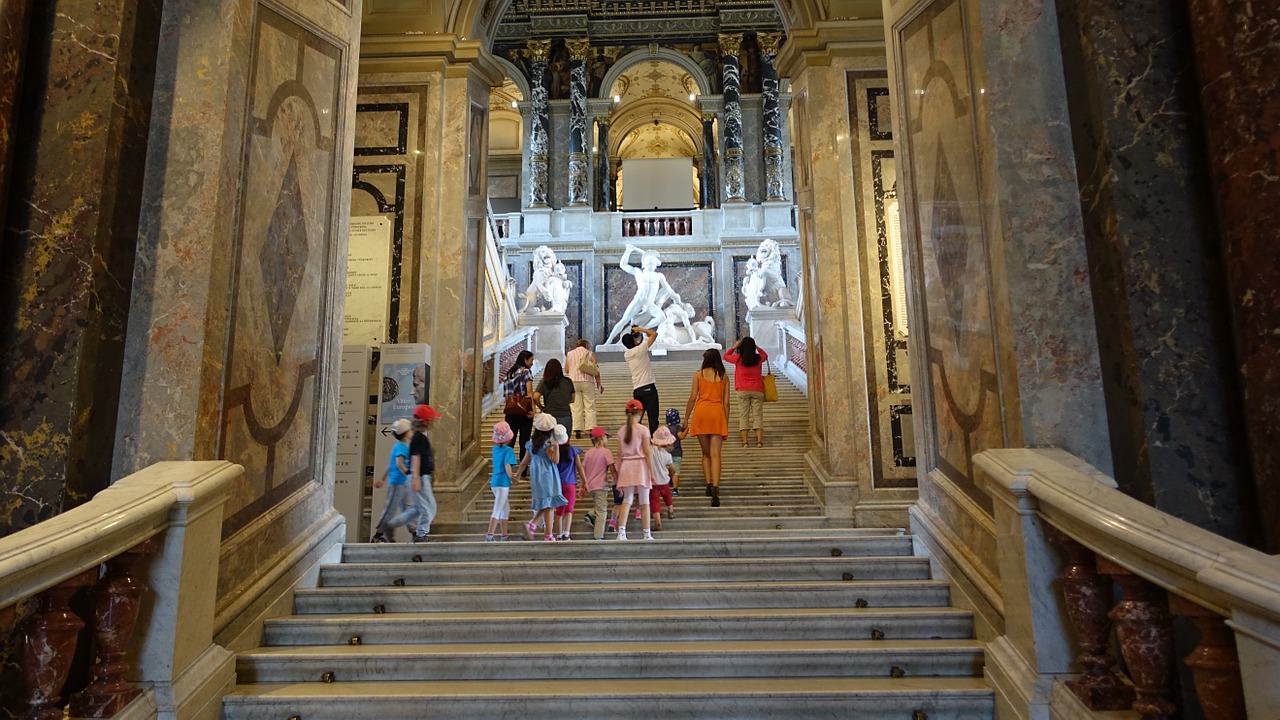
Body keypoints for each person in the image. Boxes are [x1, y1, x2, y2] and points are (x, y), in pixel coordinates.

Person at [604, 245, 682, 345]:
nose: (653, 265)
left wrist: (678, 301)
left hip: (650, 304)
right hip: (638, 301)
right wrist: (628, 250)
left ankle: (641, 329)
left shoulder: (658, 276)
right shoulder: (638, 272)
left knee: (661, 317)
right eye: (650, 263)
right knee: (624, 320)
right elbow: (623, 265)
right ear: (645, 264)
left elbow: (668, 289)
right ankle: (608, 341)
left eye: (654, 263)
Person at [684, 349, 729, 507]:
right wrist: (726, 421)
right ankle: (716, 490)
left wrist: (686, 419)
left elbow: (692, 398)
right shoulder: (723, 377)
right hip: (717, 414)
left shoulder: (698, 375)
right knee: (716, 454)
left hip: (701, 413)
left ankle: (708, 485)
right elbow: (726, 403)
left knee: (706, 453)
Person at [513, 413, 566, 541]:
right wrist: (557, 447)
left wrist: (518, 474)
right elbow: (555, 460)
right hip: (547, 474)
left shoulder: (531, 444)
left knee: (548, 502)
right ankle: (548, 534)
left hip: (536, 474)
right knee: (549, 504)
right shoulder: (548, 444)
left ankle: (533, 524)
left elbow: (525, 461)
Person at [614, 399, 654, 541]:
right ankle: (647, 534)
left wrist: (618, 475)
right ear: (641, 413)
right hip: (641, 466)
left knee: (627, 500)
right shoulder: (643, 430)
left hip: (626, 466)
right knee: (644, 501)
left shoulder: (621, 431)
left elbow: (618, 455)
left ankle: (621, 533)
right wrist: (652, 471)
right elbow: (648, 452)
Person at [370, 418, 414, 543]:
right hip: (397, 483)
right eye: (410, 430)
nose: (412, 432)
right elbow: (398, 464)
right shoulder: (400, 447)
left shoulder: (402, 447)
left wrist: (382, 479)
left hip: (403, 483)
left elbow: (390, 466)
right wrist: (408, 474)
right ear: (405, 433)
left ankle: (415, 533)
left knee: (407, 508)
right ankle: (377, 536)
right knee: (390, 509)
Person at [725, 336, 769, 448]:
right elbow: (765, 355)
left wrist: (735, 346)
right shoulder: (758, 358)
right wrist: (756, 347)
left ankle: (745, 443)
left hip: (742, 390)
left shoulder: (738, 359)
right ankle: (759, 442)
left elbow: (725, 356)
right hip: (757, 390)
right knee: (758, 416)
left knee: (744, 416)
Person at [408, 404, 442, 542]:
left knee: (428, 506)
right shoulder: (419, 439)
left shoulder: (420, 437)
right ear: (425, 421)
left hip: (423, 477)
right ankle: (420, 535)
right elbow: (415, 458)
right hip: (420, 477)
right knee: (428, 507)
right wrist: (415, 478)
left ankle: (420, 532)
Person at [502, 350, 539, 464]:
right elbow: (529, 392)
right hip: (523, 411)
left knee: (510, 440)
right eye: (531, 360)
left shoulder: (509, 373)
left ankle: (506, 465)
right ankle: (523, 469)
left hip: (511, 411)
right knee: (524, 441)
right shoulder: (526, 372)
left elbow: (506, 394)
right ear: (525, 360)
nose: (532, 362)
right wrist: (533, 408)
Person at [622, 325, 660, 432]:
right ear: (634, 340)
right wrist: (639, 329)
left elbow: (636, 344)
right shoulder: (640, 349)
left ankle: (637, 441)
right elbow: (654, 334)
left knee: (637, 420)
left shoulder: (627, 354)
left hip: (637, 390)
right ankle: (653, 443)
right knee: (653, 419)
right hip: (648, 388)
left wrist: (635, 336)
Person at [581, 427, 616, 541]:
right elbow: (612, 469)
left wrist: (582, 486)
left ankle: (591, 513)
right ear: (601, 438)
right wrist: (618, 482)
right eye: (606, 437)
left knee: (600, 504)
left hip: (590, 486)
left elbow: (583, 470)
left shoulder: (588, 453)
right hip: (601, 485)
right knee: (602, 511)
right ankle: (598, 535)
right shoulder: (606, 452)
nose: (607, 440)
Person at [486, 422, 518, 542]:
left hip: (494, 481)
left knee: (505, 509)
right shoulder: (508, 450)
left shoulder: (495, 449)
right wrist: (511, 477)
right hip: (503, 482)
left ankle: (504, 535)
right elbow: (507, 465)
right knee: (498, 509)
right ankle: (489, 535)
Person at [553, 424, 586, 540]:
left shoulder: (553, 451)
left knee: (559, 511)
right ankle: (566, 533)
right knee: (569, 510)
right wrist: (585, 482)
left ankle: (558, 535)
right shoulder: (573, 450)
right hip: (570, 483)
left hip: (557, 484)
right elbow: (580, 467)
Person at [564, 339, 603, 437]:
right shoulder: (590, 353)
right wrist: (599, 384)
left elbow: (567, 370)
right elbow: (596, 369)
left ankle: (577, 429)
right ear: (586, 345)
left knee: (576, 407)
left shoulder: (570, 354)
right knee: (590, 406)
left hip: (573, 382)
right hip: (588, 382)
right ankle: (591, 428)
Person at [533, 358, 576, 438]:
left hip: (549, 416)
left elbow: (535, 397)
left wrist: (541, 407)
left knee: (549, 442)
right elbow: (573, 399)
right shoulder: (568, 381)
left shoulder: (544, 382)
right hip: (565, 415)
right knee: (564, 441)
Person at [649, 426, 678, 529]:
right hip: (664, 480)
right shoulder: (667, 455)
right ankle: (671, 511)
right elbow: (673, 468)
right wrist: (670, 475)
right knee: (667, 496)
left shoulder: (649, 451)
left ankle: (657, 522)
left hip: (653, 482)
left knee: (654, 501)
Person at [665, 408, 685, 496]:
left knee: (669, 469)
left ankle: (668, 482)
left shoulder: (666, 429)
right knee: (676, 472)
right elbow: (681, 436)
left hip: (667, 453)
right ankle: (675, 490)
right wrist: (686, 430)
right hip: (677, 453)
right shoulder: (678, 427)